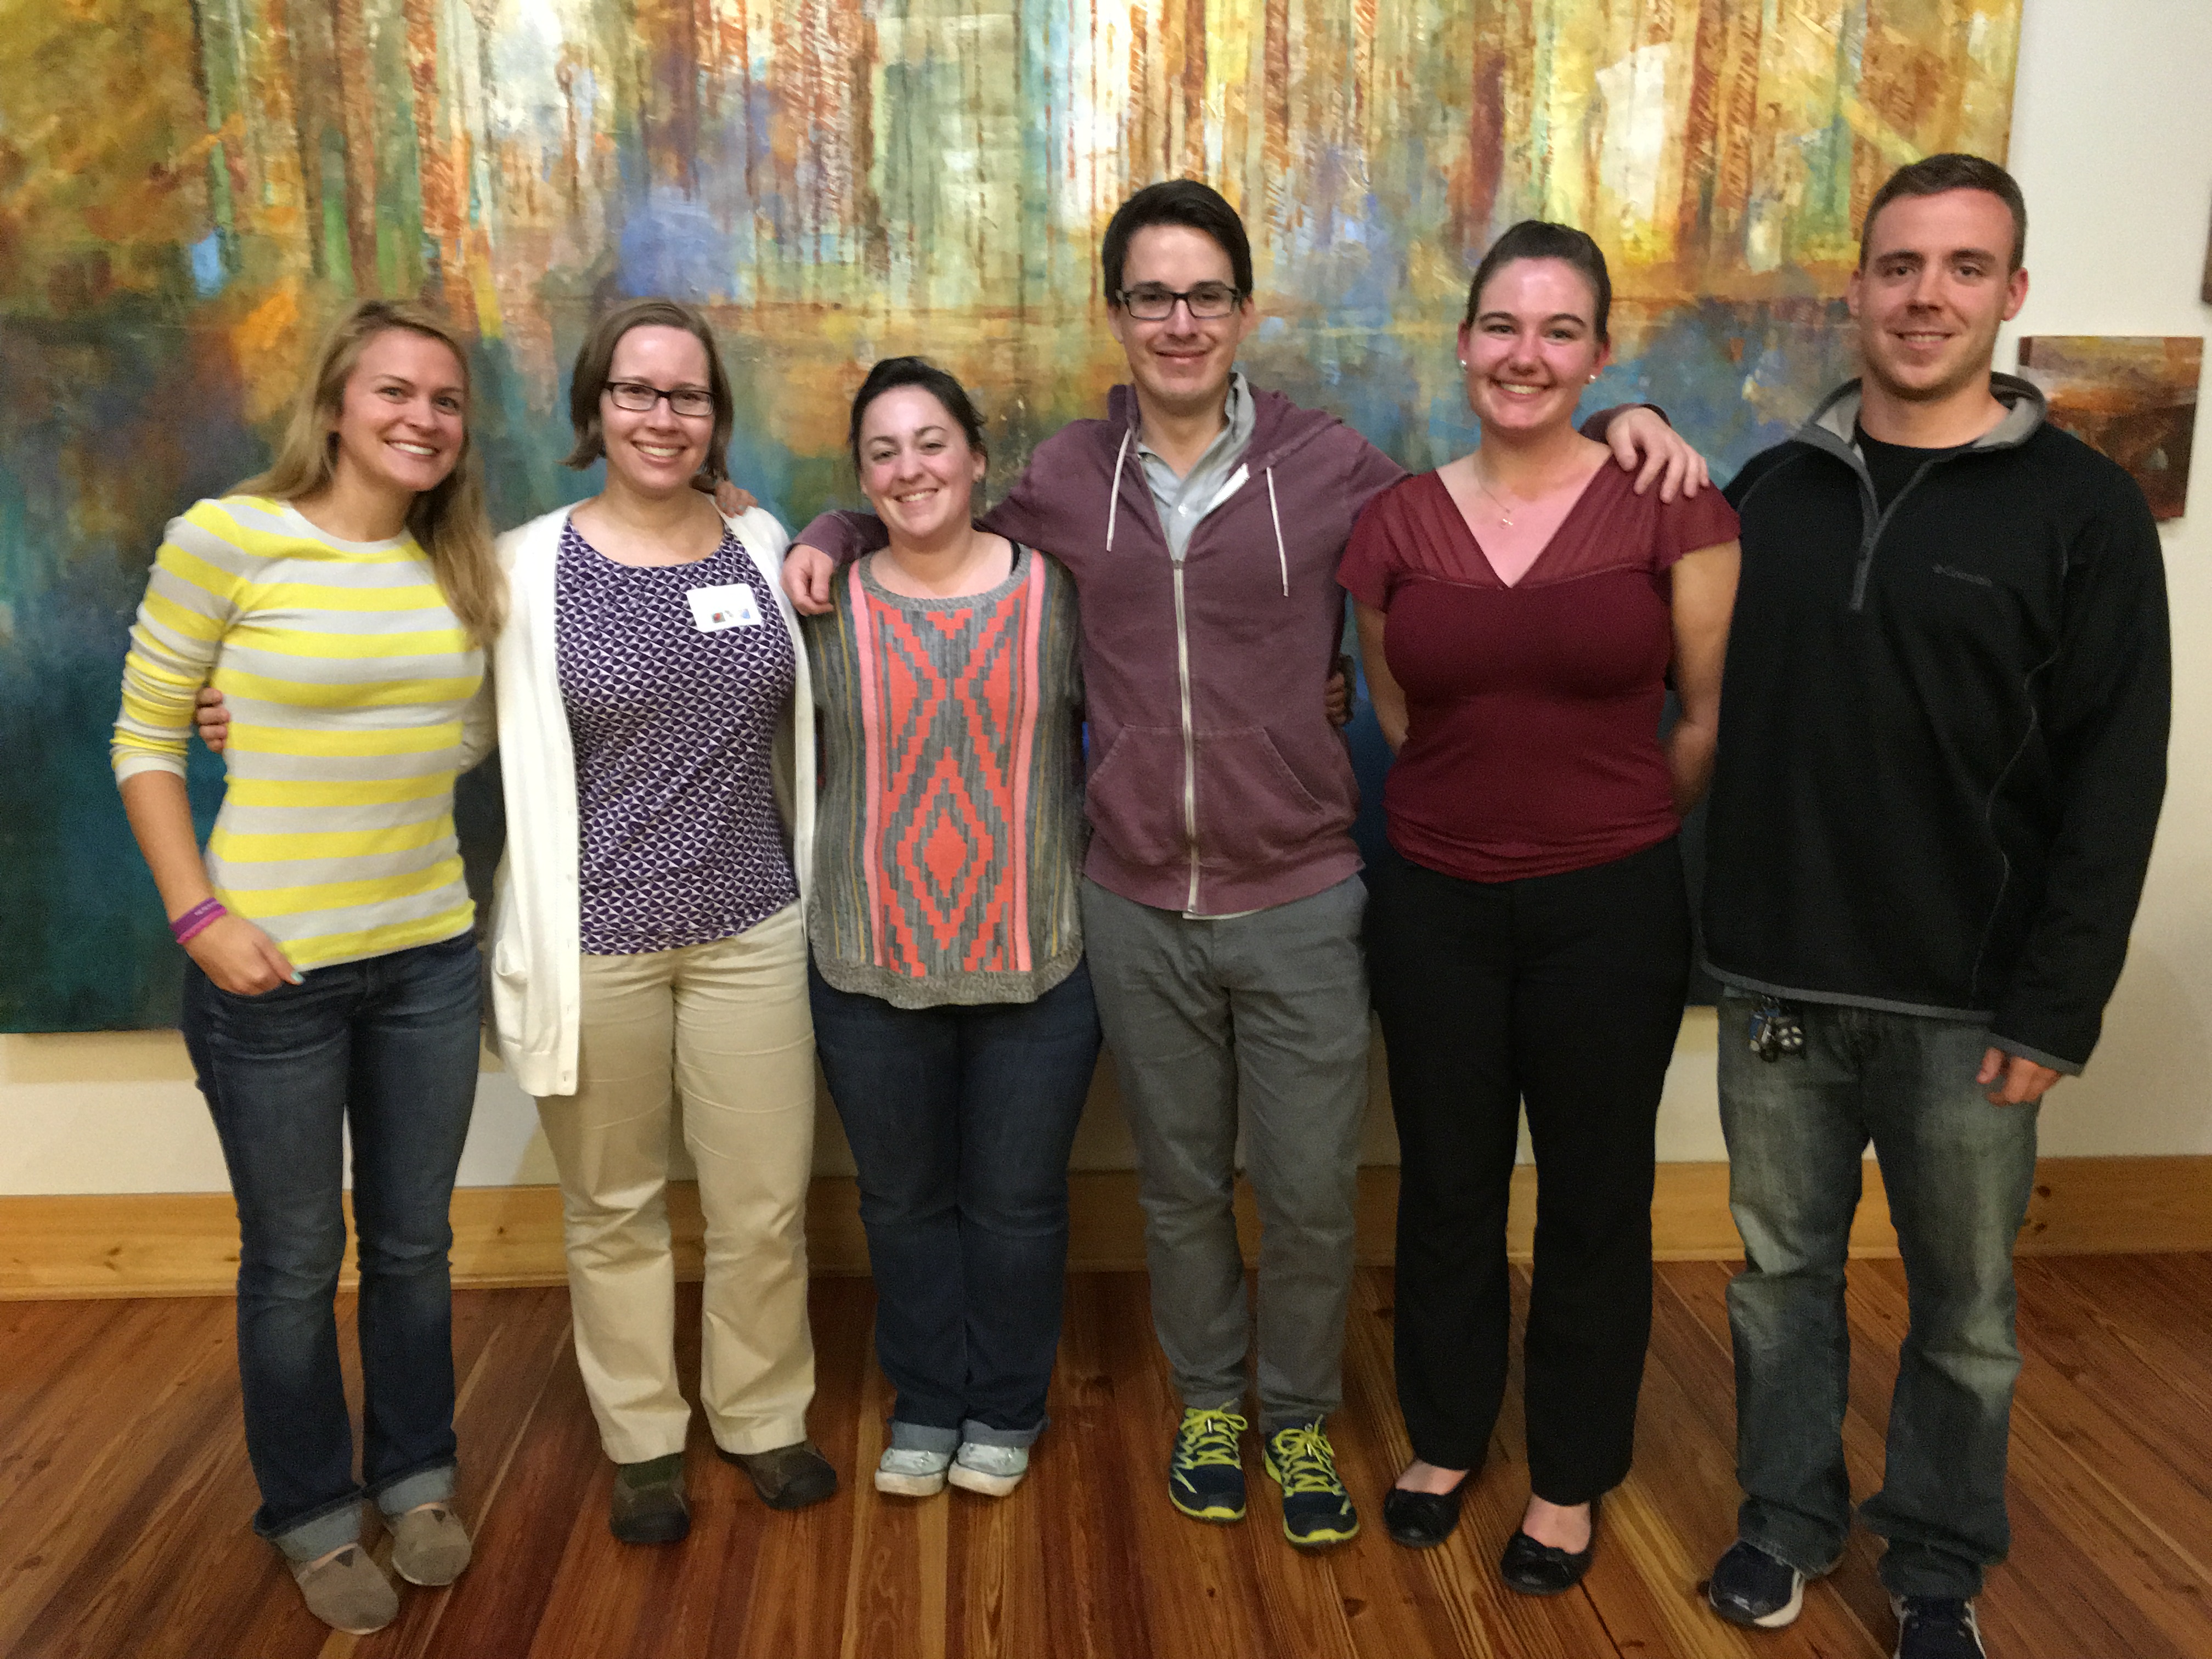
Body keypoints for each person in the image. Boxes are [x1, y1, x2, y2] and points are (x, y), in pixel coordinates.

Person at [783, 179, 1708, 1549]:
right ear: (1118, 314)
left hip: (1303, 893)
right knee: (1175, 1187)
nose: (1178, 320)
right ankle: (1210, 1401)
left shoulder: (1336, 469)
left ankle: (1297, 1418)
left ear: (1244, 311)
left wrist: (1635, 427)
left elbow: (1492, 506)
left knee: (1315, 1190)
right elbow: (923, 513)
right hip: (1135, 897)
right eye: (1151, 295)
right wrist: (833, 530)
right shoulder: (1055, 481)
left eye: (1205, 294)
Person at [1696, 155, 2169, 1659]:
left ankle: (1941, 1565)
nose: (1927, 297)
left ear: (2012, 296)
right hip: (1778, 988)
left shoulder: (2081, 511)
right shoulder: (1767, 493)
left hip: (1973, 1008)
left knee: (1965, 1312)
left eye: (1965, 269)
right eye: (1901, 266)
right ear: (1858, 287)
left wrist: (2056, 1009)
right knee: (1780, 1285)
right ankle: (1783, 1524)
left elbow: (2118, 777)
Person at [1344, 221, 1740, 1588]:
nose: (1527, 354)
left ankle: (1570, 1472)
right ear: (1463, 344)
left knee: (1594, 1194)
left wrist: (1598, 825)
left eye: (1560, 330)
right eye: (1503, 326)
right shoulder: (1395, 522)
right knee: (1446, 1185)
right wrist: (1482, 812)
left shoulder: (1673, 504)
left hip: (1611, 908)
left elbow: (1701, 719)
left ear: (1600, 354)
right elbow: (1401, 711)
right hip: (1438, 903)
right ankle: (1447, 1437)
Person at [112, 298, 499, 1635]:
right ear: (335, 406)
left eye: (445, 401)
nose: (421, 419)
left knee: (412, 1245)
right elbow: (147, 741)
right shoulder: (227, 538)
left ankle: (417, 1475)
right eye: (395, 392)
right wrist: (198, 918)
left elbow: (451, 744)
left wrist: (282, 730)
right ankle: (314, 1509)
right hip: (267, 974)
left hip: (429, 959)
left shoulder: (461, 572)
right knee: (292, 1258)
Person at [486, 298, 833, 1541]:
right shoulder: (529, 566)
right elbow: (453, 722)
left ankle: (761, 1414)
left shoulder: (758, 543)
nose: (661, 416)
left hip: (751, 928)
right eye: (637, 391)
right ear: (594, 409)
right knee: (615, 1206)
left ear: (714, 419)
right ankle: (642, 1438)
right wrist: (257, 715)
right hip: (598, 945)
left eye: (687, 396)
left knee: (763, 1202)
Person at [803, 357, 1098, 1500]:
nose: (910, 468)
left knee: (1019, 1206)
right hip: (869, 960)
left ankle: (1007, 1405)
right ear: (861, 478)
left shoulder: (1061, 594)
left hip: (1038, 958)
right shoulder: (821, 600)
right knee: (903, 1202)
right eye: (882, 451)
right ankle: (927, 1398)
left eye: (932, 443)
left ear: (979, 457)